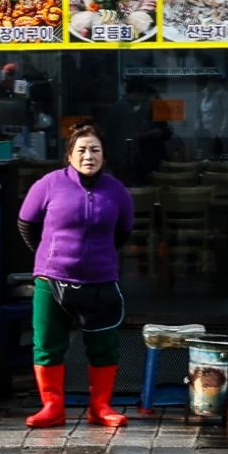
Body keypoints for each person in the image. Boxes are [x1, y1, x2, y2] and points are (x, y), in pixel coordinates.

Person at [16, 121, 134, 429]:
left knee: (103, 345)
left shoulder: (117, 191)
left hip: (101, 280)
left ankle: (101, 407)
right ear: (69, 154)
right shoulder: (49, 183)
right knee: (47, 343)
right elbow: (26, 224)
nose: (88, 156)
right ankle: (52, 407)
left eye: (95, 150)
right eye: (81, 150)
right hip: (51, 280)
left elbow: (123, 231)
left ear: (104, 155)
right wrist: (51, 256)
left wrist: (98, 256)